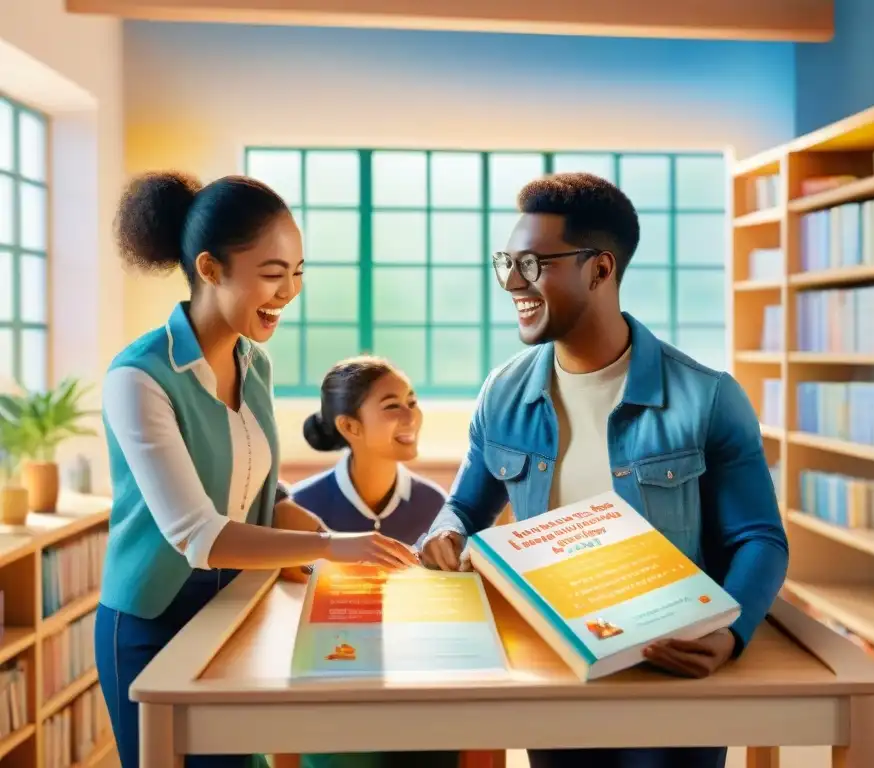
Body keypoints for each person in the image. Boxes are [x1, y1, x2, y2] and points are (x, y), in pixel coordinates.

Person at [419, 172, 789, 768]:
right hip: (556, 668)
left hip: (669, 675)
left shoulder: (709, 397)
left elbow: (760, 540)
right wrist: (445, 533)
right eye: (507, 262)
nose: (514, 281)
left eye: (535, 263)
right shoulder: (502, 393)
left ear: (600, 268)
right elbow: (465, 506)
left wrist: (730, 632)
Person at [96, 172, 418, 768]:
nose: (290, 291)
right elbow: (198, 534)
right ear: (211, 269)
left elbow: (262, 495)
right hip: (152, 625)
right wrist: (332, 546)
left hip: (235, 610)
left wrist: (344, 547)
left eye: (298, 272)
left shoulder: (254, 361)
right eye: (272, 274)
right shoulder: (138, 378)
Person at [288, 356, 459, 768]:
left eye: (412, 401)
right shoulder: (302, 506)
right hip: (333, 685)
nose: (410, 415)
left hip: (419, 684)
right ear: (350, 427)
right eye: (391, 405)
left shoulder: (434, 503)